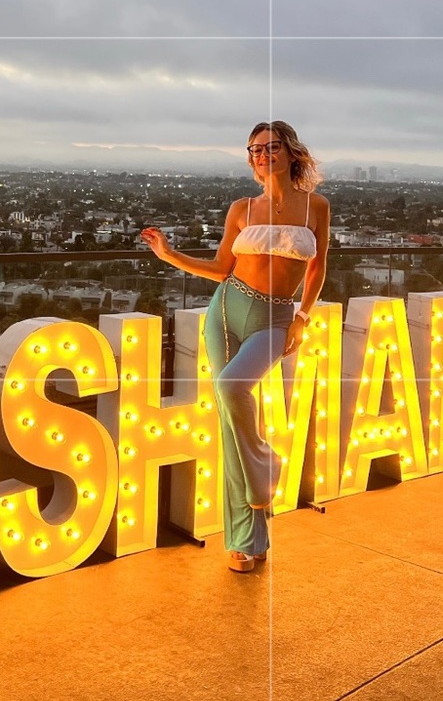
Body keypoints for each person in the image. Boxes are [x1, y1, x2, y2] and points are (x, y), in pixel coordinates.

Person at [140, 121, 330, 573]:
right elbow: (221, 268)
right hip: (227, 311)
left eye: (271, 147)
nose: (262, 155)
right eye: (254, 149)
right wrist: (169, 255)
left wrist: (302, 318)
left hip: (277, 318)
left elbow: (318, 267)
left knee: (232, 388)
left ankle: (266, 465)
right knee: (230, 426)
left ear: (291, 151)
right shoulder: (242, 208)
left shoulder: (316, 206)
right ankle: (248, 540)